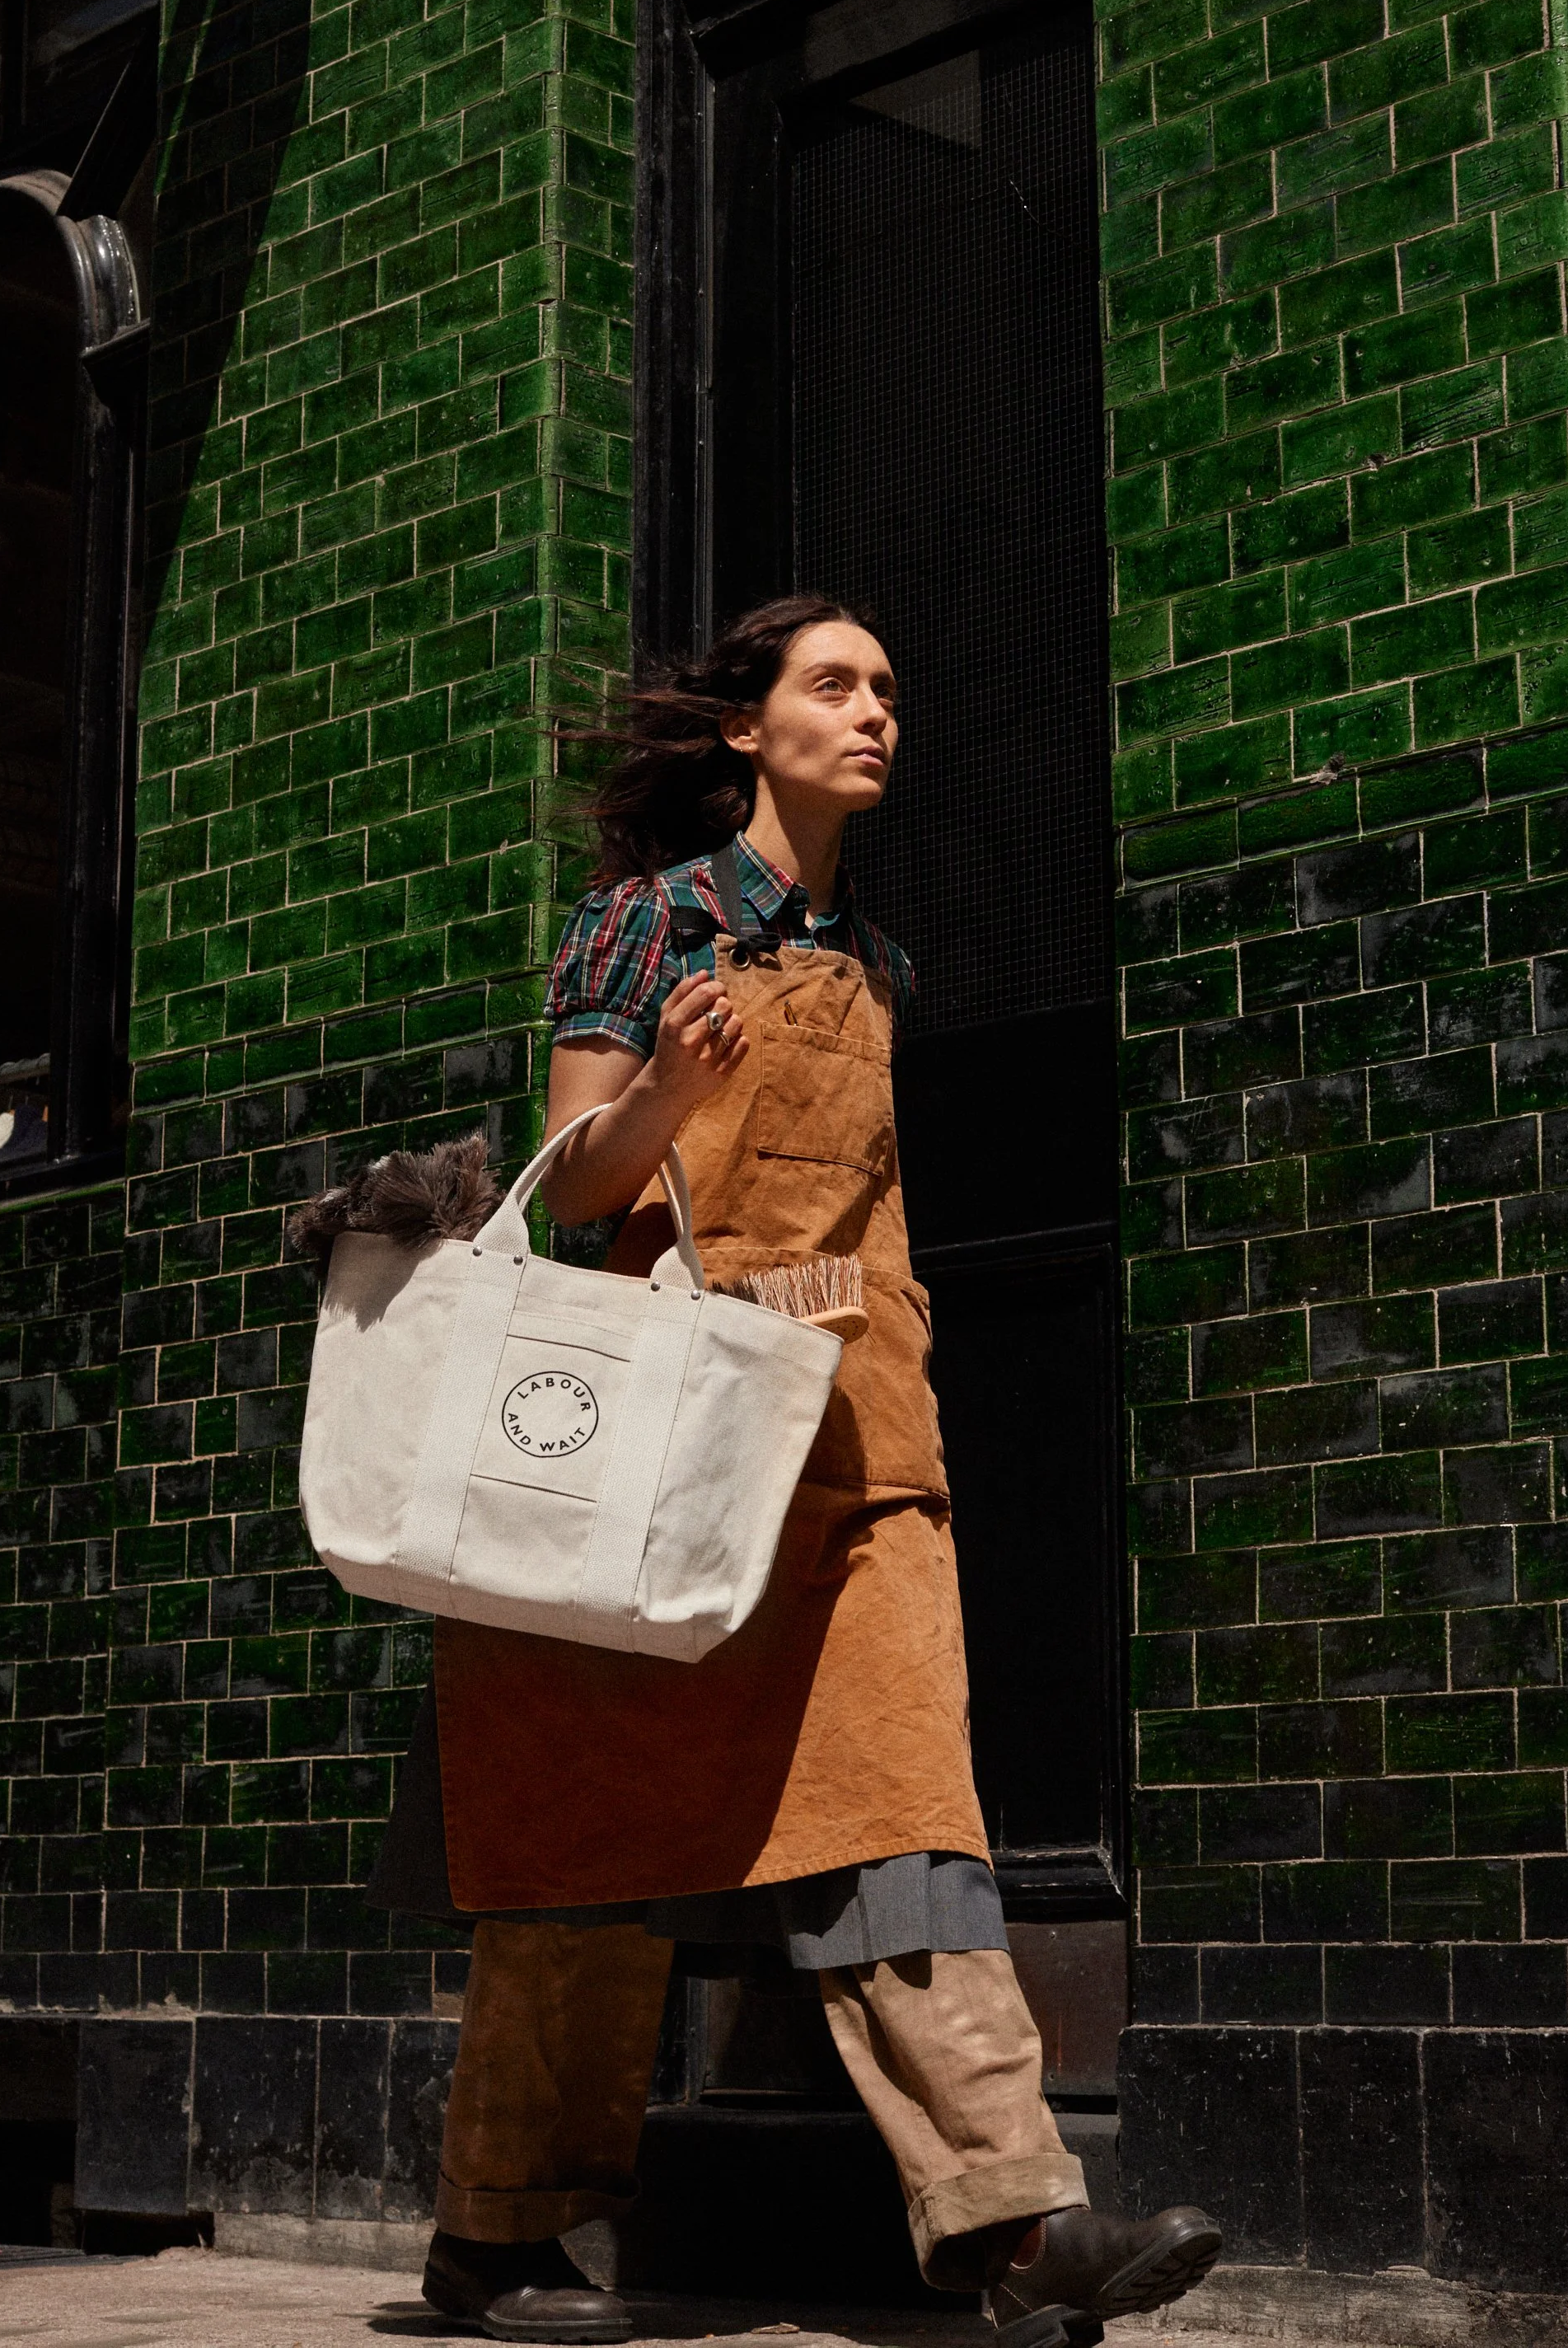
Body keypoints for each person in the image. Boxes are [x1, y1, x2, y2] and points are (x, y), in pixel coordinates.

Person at [367, 598, 1221, 2348]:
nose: (874, 712)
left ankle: (1020, 2225)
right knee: (587, 1835)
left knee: (907, 1812)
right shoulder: (645, 922)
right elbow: (581, 1192)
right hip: (649, 1450)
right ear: (747, 730)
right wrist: (668, 1092)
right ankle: (498, 2238)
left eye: (889, 688)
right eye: (834, 685)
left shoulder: (882, 964)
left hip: (853, 1438)